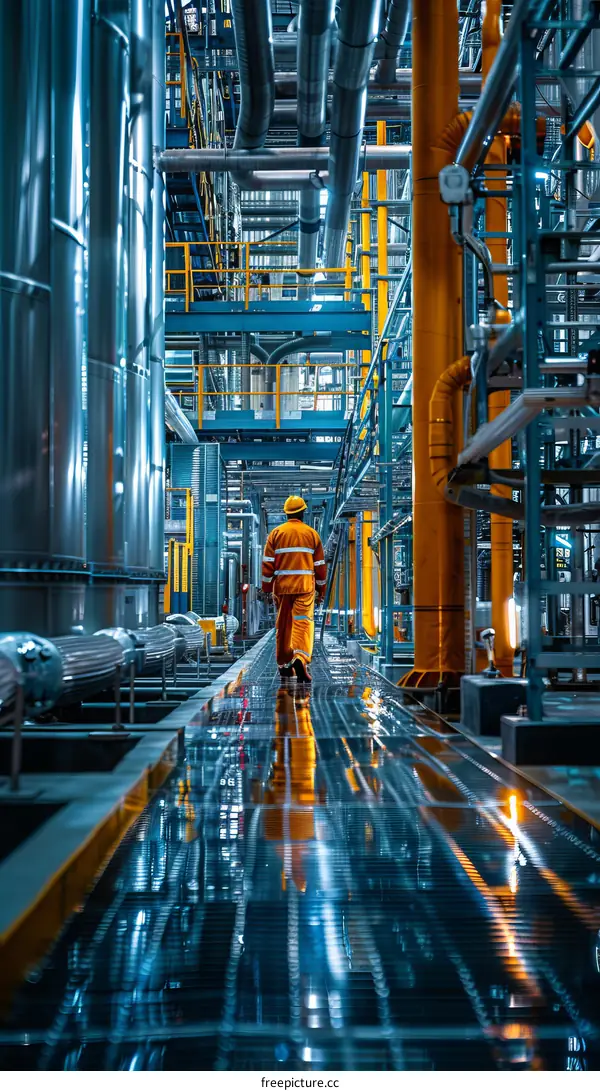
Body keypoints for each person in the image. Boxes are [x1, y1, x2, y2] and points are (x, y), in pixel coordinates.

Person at [261, 495, 327, 683]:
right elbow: (320, 566)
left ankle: (283, 664)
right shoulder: (311, 534)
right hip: (305, 587)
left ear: (286, 513)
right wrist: (321, 590)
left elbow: (267, 565)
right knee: (303, 623)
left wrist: (267, 588)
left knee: (283, 626)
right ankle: (300, 658)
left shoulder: (276, 534)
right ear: (303, 512)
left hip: (282, 588)